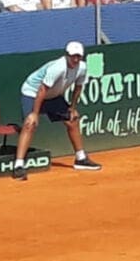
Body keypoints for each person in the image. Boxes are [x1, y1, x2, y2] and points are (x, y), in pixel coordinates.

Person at [13, 41, 99, 180]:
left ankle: (80, 158)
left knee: (72, 120)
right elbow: (42, 90)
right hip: (33, 93)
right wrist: (35, 114)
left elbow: (78, 88)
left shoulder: (82, 68)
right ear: (66, 55)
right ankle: (18, 165)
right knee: (30, 124)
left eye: (78, 56)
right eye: (73, 56)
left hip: (53, 96)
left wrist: (72, 108)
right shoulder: (58, 67)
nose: (75, 59)